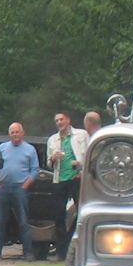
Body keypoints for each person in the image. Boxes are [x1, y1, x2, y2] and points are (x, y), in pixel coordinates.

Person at [0, 121, 40, 259]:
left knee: (23, 222)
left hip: (20, 188)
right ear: (9, 134)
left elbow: (35, 170)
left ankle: (28, 252)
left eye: (17, 132)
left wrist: (25, 185)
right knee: (0, 222)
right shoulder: (2, 148)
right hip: (4, 188)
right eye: (12, 132)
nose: (15, 134)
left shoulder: (30, 149)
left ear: (22, 133)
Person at [45, 110, 88, 257]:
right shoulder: (53, 140)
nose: (59, 123)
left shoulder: (81, 135)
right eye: (57, 121)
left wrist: (80, 165)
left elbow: (89, 155)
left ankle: (77, 244)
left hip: (76, 178)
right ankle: (61, 251)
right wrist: (53, 158)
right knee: (59, 215)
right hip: (60, 179)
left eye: (61, 120)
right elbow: (48, 164)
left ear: (68, 120)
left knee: (82, 212)